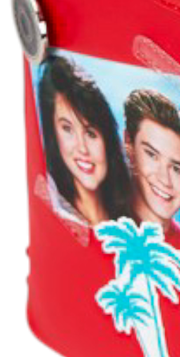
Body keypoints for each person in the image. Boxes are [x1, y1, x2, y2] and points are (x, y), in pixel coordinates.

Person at [37, 53, 131, 227]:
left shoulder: (134, 223)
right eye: (67, 129)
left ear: (107, 139)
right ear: (53, 135)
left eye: (90, 133)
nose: (82, 148)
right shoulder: (55, 217)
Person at [121, 88, 180, 260]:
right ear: (129, 145)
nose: (165, 180)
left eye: (177, 169)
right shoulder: (92, 208)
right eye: (152, 155)